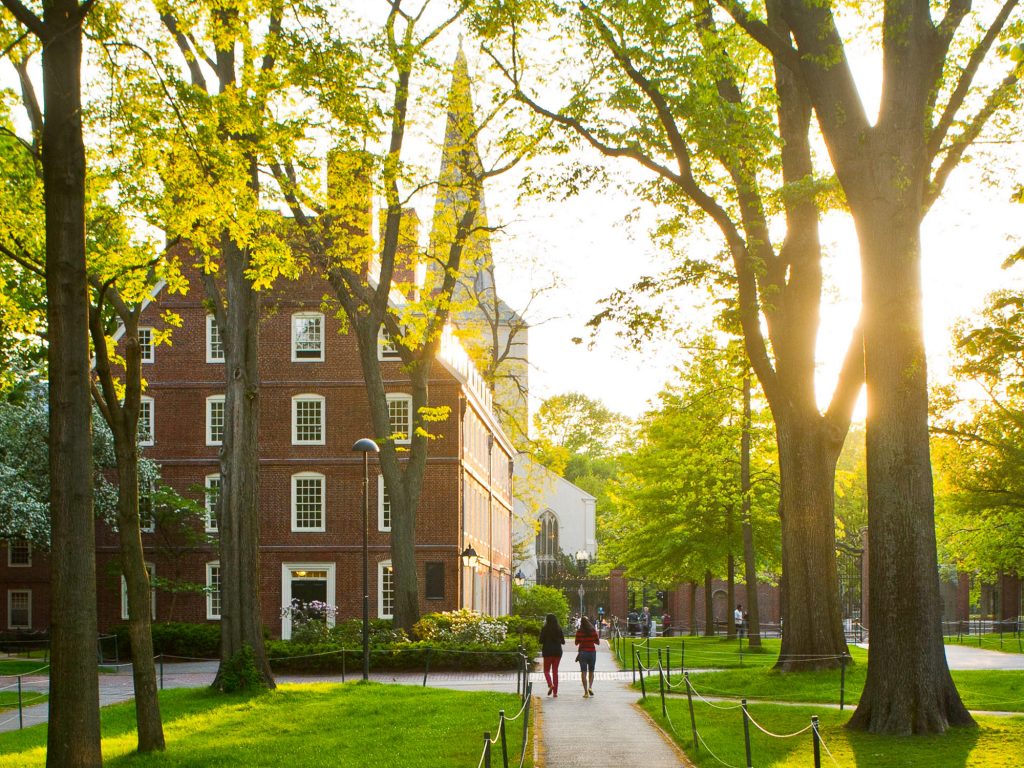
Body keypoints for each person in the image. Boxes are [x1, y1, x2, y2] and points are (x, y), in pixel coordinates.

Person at [539, 613, 565, 698]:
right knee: (555, 672)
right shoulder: (558, 628)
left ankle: (550, 684)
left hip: (547, 652)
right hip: (558, 652)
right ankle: (555, 693)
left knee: (546, 670)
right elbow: (563, 641)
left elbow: (541, 641)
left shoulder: (545, 628)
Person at [575, 615, 600, 698]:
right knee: (591, 671)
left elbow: (576, 643)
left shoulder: (579, 631)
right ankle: (590, 687)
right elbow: (597, 642)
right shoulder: (592, 630)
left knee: (583, 672)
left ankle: (586, 692)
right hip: (592, 652)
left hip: (582, 653)